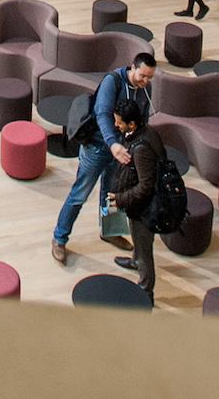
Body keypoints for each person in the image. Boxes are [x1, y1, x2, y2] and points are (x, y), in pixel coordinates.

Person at [51, 50, 156, 266]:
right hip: (97, 147)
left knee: (113, 193)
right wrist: (113, 143)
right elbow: (102, 114)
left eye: (149, 77)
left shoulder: (146, 89)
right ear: (133, 68)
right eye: (142, 75)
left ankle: (110, 231)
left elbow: (142, 120)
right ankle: (59, 238)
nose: (145, 80)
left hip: (121, 151)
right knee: (80, 193)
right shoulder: (113, 82)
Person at [106, 97, 167, 303]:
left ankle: (146, 292)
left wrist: (121, 199)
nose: (116, 125)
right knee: (139, 244)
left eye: (119, 122)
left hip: (145, 208)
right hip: (138, 205)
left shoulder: (141, 149)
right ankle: (135, 260)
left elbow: (145, 186)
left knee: (145, 249)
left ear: (131, 124)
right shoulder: (144, 132)